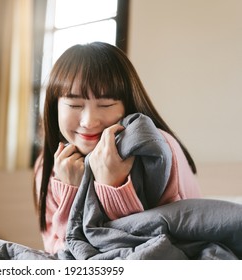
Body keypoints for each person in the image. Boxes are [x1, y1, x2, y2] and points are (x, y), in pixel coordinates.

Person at [33, 42, 201, 255]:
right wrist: (70, 192)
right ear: (54, 106)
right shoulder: (48, 162)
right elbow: (58, 248)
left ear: (127, 105)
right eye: (74, 105)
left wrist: (113, 185)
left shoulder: (157, 149)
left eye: (105, 105)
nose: (89, 121)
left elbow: (151, 246)